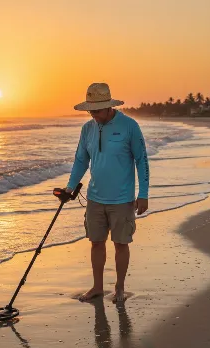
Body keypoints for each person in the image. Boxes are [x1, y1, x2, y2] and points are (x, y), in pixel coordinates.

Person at [66, 82, 149, 303]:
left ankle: (120, 288)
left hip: (122, 199)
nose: (93, 114)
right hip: (94, 198)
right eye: (90, 110)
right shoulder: (88, 128)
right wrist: (69, 187)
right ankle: (97, 287)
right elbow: (81, 160)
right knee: (96, 242)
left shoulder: (129, 126)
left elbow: (142, 160)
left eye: (97, 110)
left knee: (121, 244)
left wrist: (143, 194)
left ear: (109, 106)